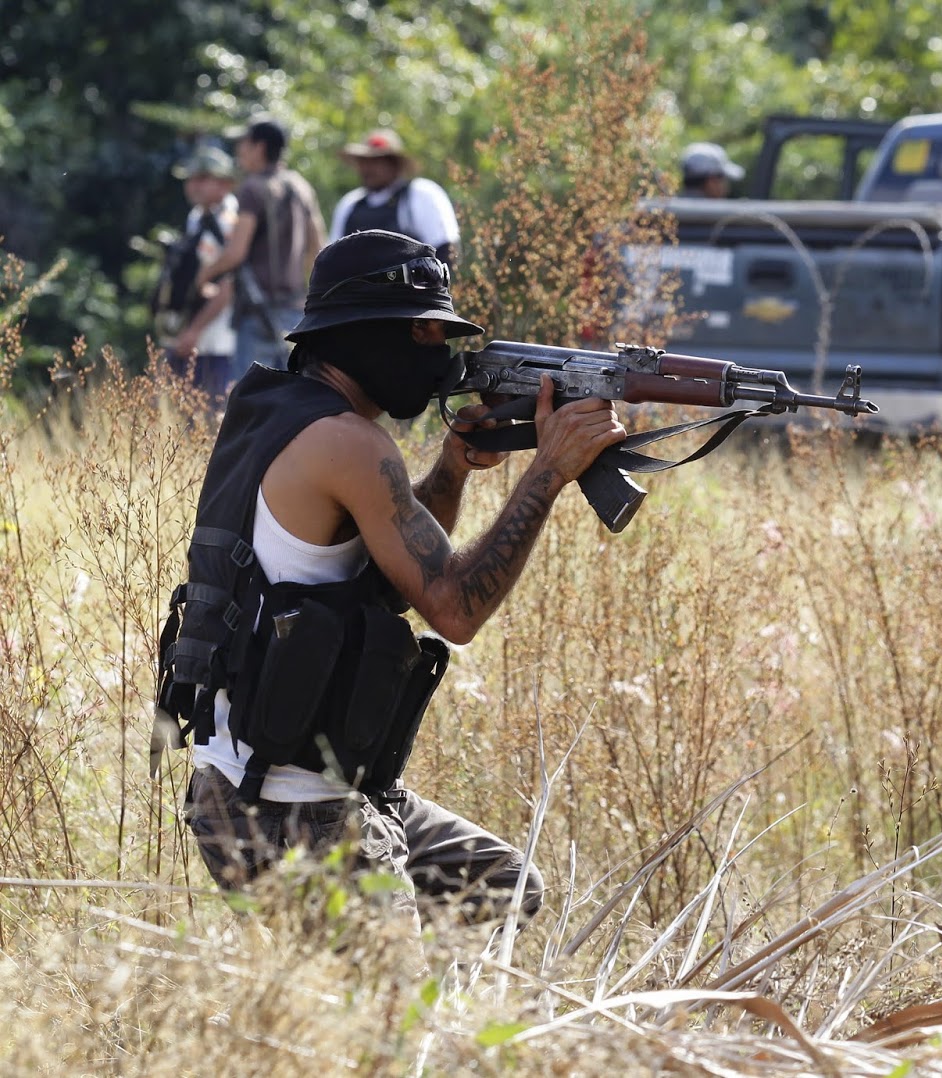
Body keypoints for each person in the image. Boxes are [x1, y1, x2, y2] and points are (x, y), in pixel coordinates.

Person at [161, 229, 626, 936]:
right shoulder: (349, 443)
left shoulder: (277, 414)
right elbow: (455, 611)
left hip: (260, 783)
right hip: (293, 808)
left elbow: (383, 580)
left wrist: (453, 469)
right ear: (359, 334)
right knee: (384, 1030)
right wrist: (549, 470)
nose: (440, 352)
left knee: (504, 886)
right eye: (423, 332)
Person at [196, 116, 326, 379]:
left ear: (259, 147)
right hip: (295, 312)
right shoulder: (301, 187)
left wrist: (204, 276)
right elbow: (319, 248)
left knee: (254, 403)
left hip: (258, 314)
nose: (239, 150)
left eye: (243, 143)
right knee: (293, 395)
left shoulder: (252, 189)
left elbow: (236, 252)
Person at [155, 146, 239, 402]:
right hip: (189, 337)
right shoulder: (197, 217)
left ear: (225, 183)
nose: (193, 186)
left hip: (217, 341)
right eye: (190, 179)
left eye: (202, 178)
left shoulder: (229, 221)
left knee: (211, 419)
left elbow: (230, 285)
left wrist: (194, 330)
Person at [329, 128, 461, 266]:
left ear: (394, 164)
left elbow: (446, 250)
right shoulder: (350, 204)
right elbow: (331, 260)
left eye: (376, 161)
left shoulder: (420, 194)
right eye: (363, 161)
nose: (367, 168)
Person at [679, 141, 744, 199]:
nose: (726, 186)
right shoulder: (716, 211)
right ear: (711, 182)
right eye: (722, 177)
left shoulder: (672, 208)